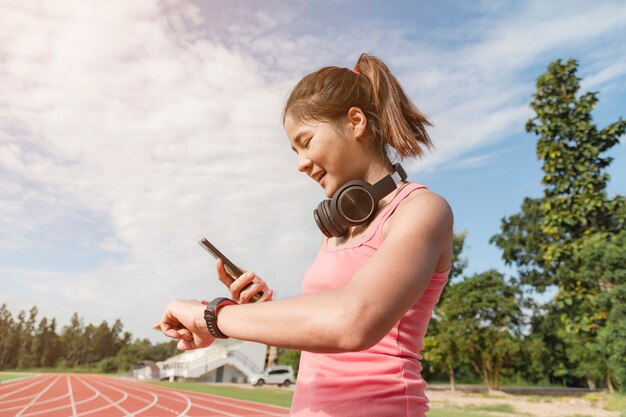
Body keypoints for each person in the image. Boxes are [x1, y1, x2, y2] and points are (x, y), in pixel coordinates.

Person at [157, 53, 454, 417]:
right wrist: (262, 314)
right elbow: (323, 332)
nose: (299, 163)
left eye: (306, 141)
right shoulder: (335, 231)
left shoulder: (423, 210)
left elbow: (352, 321)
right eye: (294, 150)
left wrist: (213, 316)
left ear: (355, 122)